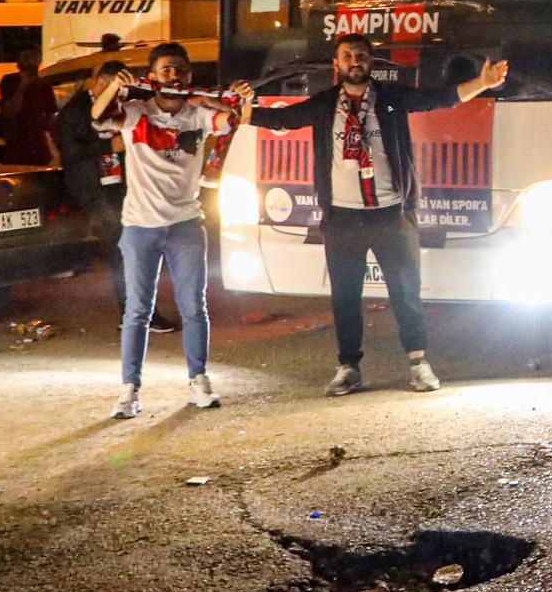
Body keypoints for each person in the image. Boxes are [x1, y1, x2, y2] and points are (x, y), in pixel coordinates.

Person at [241, 35, 508, 397]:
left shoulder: (392, 97)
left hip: (391, 214)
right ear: (337, 64)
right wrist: (238, 110)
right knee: (345, 297)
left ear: (371, 63)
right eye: (348, 55)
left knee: (405, 292)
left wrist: (484, 83)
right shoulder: (324, 104)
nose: (355, 61)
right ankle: (348, 367)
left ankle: (418, 362)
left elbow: (440, 98)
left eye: (362, 56)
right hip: (342, 218)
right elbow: (283, 118)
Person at [95, 44, 240, 418]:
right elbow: (97, 117)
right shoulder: (135, 112)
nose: (173, 75)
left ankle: (199, 380)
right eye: (165, 69)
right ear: (154, 75)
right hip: (140, 226)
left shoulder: (198, 114)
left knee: (194, 306)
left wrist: (237, 98)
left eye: (179, 69)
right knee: (137, 310)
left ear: (188, 74)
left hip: (185, 224)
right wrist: (116, 87)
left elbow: (234, 120)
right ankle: (130, 390)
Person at [55, 58, 154, 330]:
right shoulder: (75, 112)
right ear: (99, 82)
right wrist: (110, 146)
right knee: (121, 247)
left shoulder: (119, 107)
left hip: (120, 187)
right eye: (113, 87)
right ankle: (133, 314)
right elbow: (72, 154)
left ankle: (138, 311)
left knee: (132, 245)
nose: (117, 94)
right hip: (94, 189)